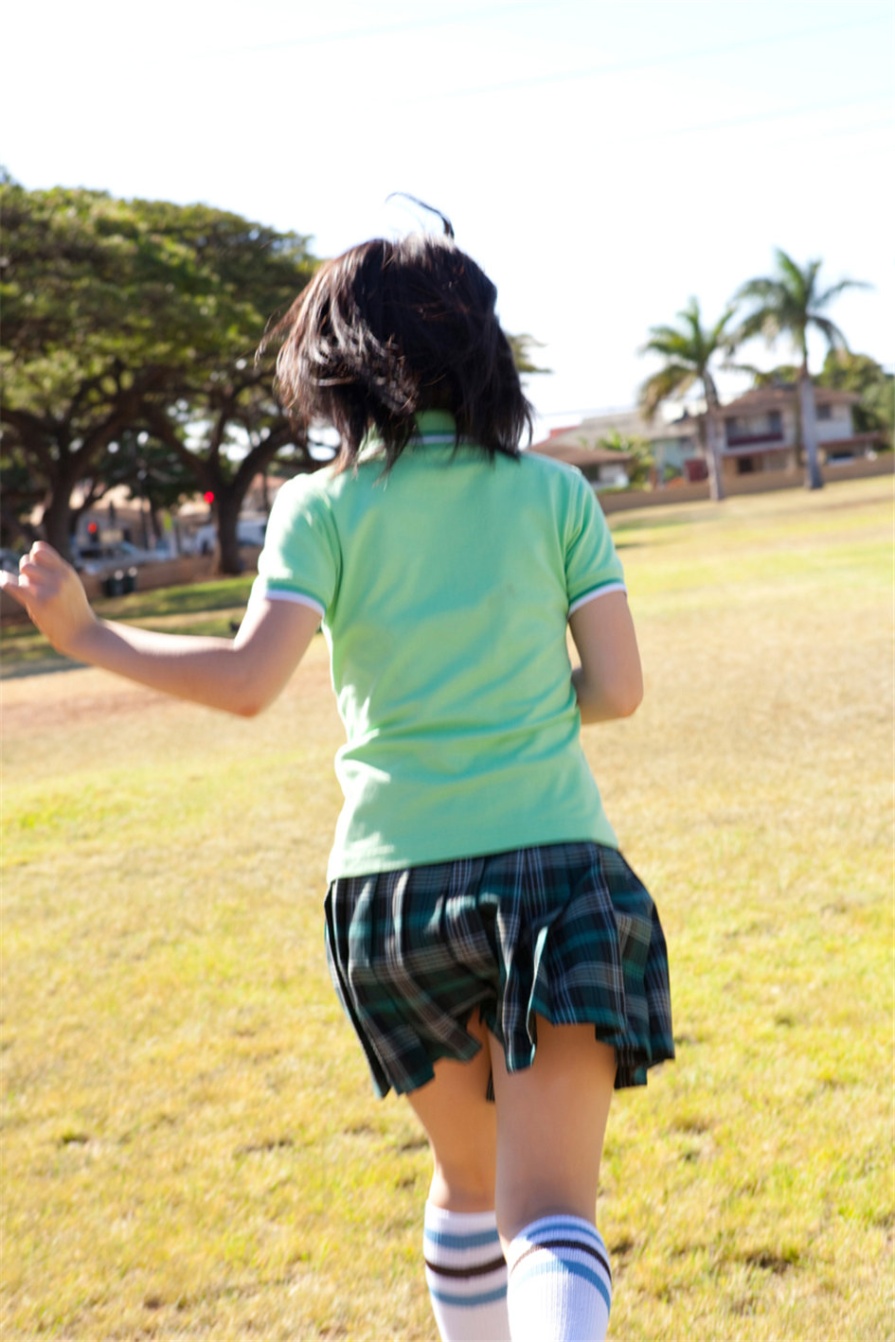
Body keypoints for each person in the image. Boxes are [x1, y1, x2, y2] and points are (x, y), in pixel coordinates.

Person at [2, 214, 674, 1342]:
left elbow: (249, 679)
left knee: (469, 1185)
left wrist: (88, 638)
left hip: (388, 899)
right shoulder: (553, 494)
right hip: (558, 878)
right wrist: (509, 695)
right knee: (550, 1213)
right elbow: (616, 689)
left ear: (336, 366)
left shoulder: (320, 507)